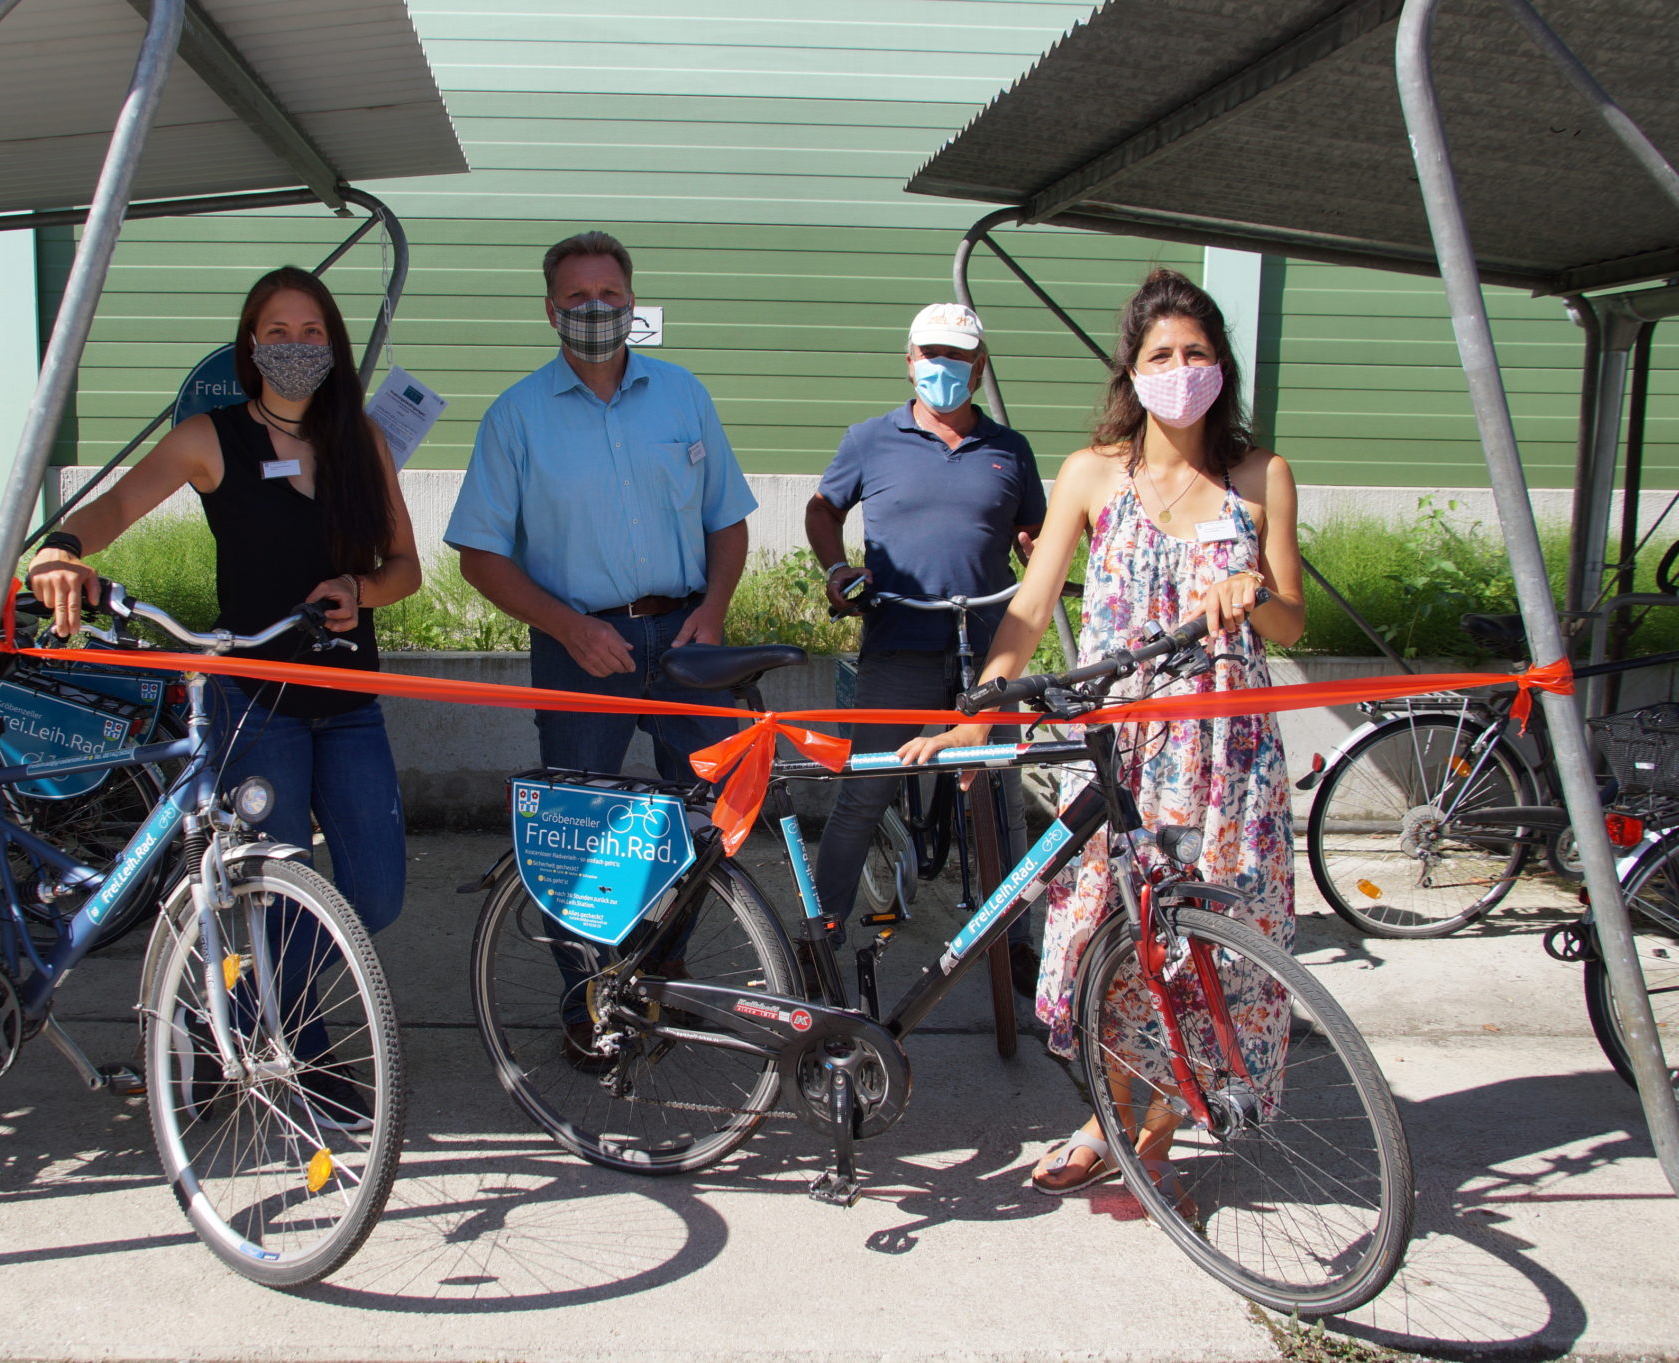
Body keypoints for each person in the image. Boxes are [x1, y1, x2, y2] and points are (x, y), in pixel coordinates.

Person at [900, 268, 1304, 1197]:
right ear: (1133, 369)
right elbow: (1030, 610)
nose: (1180, 369)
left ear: (1222, 367)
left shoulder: (1258, 476)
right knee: (1105, 949)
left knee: (1217, 962)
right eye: (1161, 354)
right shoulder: (1090, 474)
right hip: (1123, 750)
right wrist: (982, 712)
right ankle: (1119, 1118)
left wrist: (1256, 595)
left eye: (1197, 353)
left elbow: (1292, 623)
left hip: (1230, 762)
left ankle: (1147, 1140)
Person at [26, 266, 421, 941]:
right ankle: (284, 1042)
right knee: (274, 899)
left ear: (333, 344)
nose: (296, 346)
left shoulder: (362, 440)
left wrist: (362, 588)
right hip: (256, 705)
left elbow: (405, 568)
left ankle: (265, 1019)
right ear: (252, 345)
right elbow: (121, 502)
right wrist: (59, 548)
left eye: (312, 332)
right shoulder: (212, 438)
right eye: (278, 332)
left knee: (374, 896)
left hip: (349, 699)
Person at [444, 230, 756, 778]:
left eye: (610, 294)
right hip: (579, 647)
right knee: (580, 830)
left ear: (632, 303)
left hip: (690, 636)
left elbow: (726, 518)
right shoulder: (514, 417)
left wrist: (715, 611)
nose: (596, 307)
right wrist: (568, 628)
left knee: (712, 816)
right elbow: (479, 556)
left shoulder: (685, 395)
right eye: (576, 296)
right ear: (550, 310)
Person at [806, 303, 1044, 988]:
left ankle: (1015, 943)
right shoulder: (869, 440)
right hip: (899, 642)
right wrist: (836, 569)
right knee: (863, 792)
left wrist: (1034, 546)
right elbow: (823, 507)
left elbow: (1038, 535)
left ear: (980, 365)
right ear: (909, 359)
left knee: (1000, 800)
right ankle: (822, 933)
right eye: (931, 354)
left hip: (990, 652)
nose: (944, 367)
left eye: (959, 356)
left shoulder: (1010, 449)